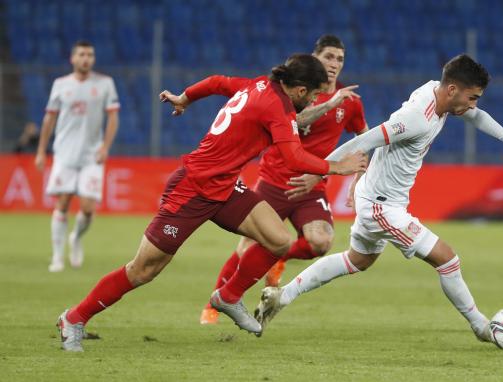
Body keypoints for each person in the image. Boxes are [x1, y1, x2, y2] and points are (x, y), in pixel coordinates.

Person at [55, 53, 367, 351]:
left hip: (227, 186)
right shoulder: (276, 106)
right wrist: (336, 167)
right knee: (143, 270)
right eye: (312, 96)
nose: (314, 101)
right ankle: (74, 319)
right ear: (300, 89)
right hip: (193, 189)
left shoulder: (257, 84)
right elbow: (293, 156)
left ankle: (228, 296)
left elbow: (217, 82)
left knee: (280, 240)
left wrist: (186, 97)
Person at [254, 54, 503, 343]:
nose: (474, 105)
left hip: (380, 196)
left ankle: (282, 296)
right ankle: (481, 327)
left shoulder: (436, 91)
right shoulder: (415, 119)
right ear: (452, 90)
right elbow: (364, 140)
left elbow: (475, 115)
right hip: (382, 205)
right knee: (448, 260)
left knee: (358, 260)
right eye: (472, 97)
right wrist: (320, 172)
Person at [199, 35, 369, 325]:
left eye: (340, 59)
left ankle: (278, 257)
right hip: (274, 181)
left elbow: (364, 139)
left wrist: (356, 179)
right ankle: (213, 306)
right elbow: (297, 121)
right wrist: (330, 104)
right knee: (246, 249)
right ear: (315, 58)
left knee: (321, 242)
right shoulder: (295, 91)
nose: (334, 64)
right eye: (329, 57)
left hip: (312, 186)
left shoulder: (349, 103)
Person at [35, 40, 120, 272]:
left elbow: (113, 118)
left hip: (92, 155)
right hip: (64, 153)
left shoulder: (105, 84)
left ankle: (76, 238)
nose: (86, 59)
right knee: (62, 203)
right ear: (73, 58)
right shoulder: (60, 85)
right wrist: (42, 150)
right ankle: (57, 257)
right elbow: (49, 119)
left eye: (90, 55)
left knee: (88, 207)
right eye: (82, 54)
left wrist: (105, 147)